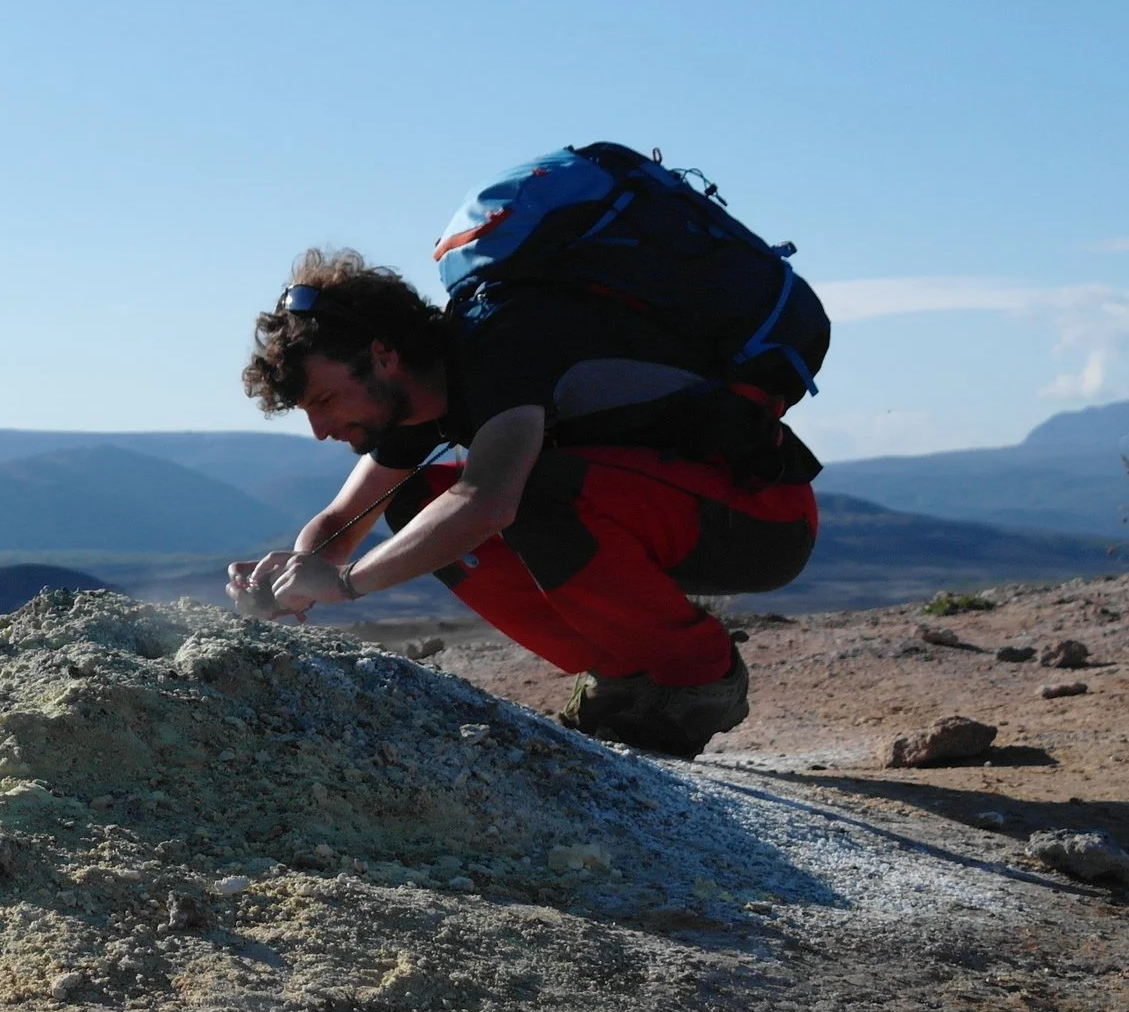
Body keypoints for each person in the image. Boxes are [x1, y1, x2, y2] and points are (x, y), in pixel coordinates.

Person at [225, 247, 819, 758]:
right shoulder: (423, 396)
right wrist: (296, 573)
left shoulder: (503, 346)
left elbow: (486, 502)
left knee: (522, 492)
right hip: (669, 510)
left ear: (384, 356)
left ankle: (697, 677)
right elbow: (341, 521)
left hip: (759, 518)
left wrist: (346, 584)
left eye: (325, 400)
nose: (322, 429)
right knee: (418, 504)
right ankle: (624, 677)